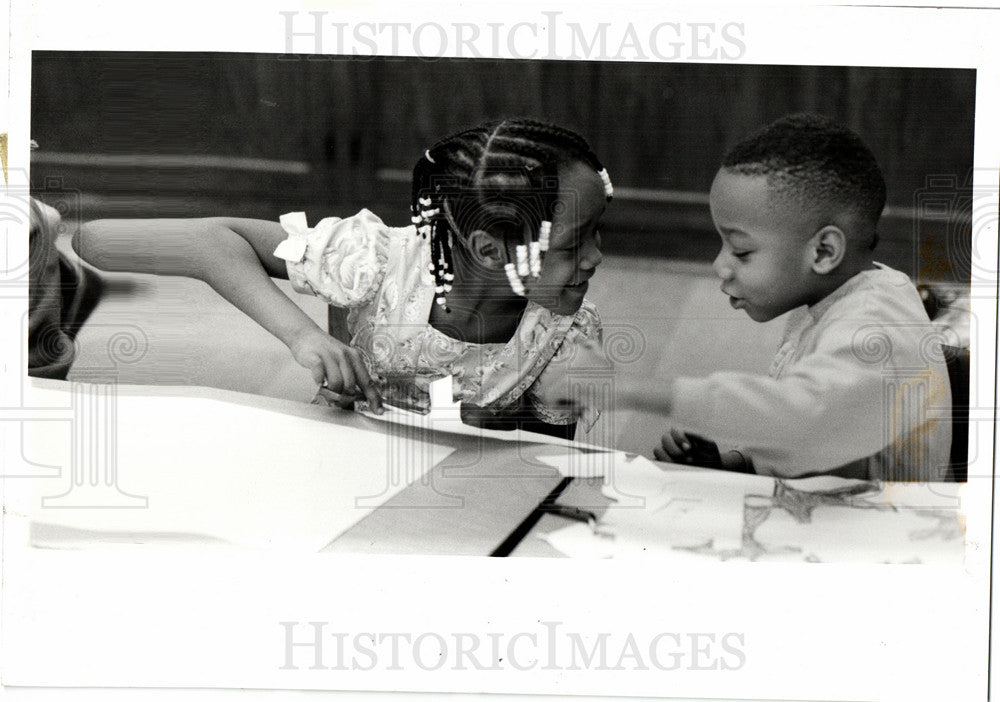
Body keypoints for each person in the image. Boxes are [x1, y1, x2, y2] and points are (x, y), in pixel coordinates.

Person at [73, 118, 614, 438]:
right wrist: (302, 335)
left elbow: (552, 459)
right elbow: (95, 240)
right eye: (573, 243)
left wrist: (501, 426)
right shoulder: (376, 258)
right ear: (488, 248)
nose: (594, 258)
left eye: (596, 233)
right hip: (340, 454)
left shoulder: (566, 332)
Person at [622, 113, 951, 481]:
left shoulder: (874, 329)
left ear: (824, 252)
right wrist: (735, 463)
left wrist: (633, 391)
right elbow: (819, 445)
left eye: (741, 251)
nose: (720, 266)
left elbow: (806, 418)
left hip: (890, 529)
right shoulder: (829, 297)